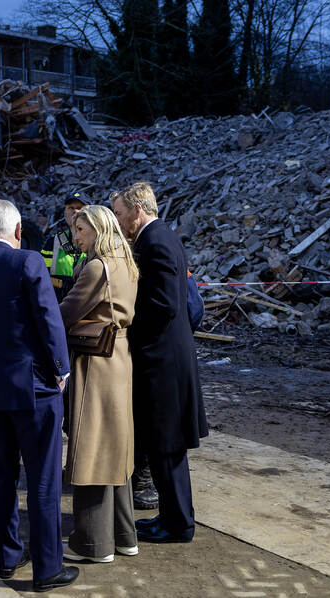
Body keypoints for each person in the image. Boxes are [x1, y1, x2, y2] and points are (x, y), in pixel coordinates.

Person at [0, 200, 79, 593]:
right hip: (33, 388)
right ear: (19, 230)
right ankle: (48, 567)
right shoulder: (29, 262)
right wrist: (61, 368)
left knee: (1, 477)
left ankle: (8, 557)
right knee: (43, 479)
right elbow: (48, 319)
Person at [111, 182, 209, 543]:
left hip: (163, 362)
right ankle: (171, 516)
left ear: (137, 210)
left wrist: (128, 326)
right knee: (163, 446)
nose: (118, 221)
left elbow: (165, 304)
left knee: (167, 447)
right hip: (165, 359)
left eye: (120, 213)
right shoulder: (160, 237)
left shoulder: (155, 242)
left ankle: (178, 524)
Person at [58, 205, 139, 563]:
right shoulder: (125, 260)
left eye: (82, 229)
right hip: (119, 357)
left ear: (99, 229)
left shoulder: (96, 266)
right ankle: (124, 536)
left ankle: (93, 544)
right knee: (116, 448)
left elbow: (66, 313)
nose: (76, 236)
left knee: (91, 449)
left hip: (95, 361)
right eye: (75, 229)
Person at [41, 192, 88, 302]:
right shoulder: (52, 243)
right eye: (71, 208)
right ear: (65, 212)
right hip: (57, 306)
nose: (75, 211)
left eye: (80, 208)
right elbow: (41, 278)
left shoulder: (97, 243)